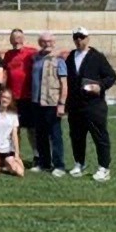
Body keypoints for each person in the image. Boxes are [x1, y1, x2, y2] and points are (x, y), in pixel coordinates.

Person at [65, 27, 116, 182]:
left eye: (82, 37)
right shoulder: (71, 56)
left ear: (88, 38)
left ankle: (104, 168)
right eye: (76, 37)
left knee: (100, 136)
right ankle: (79, 163)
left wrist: (99, 86)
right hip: (75, 105)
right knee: (76, 136)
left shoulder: (97, 57)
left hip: (94, 105)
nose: (79, 40)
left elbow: (111, 76)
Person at [30, 32, 68, 176]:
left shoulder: (59, 60)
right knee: (41, 135)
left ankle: (59, 166)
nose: (47, 43)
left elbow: (64, 84)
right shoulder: (35, 58)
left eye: (50, 41)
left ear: (54, 42)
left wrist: (62, 104)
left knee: (55, 135)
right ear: (40, 42)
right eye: (44, 41)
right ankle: (44, 163)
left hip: (52, 102)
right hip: (36, 101)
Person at [3, 28, 38, 164]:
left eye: (19, 37)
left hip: (28, 97)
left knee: (31, 129)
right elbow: (6, 75)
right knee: (14, 128)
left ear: (23, 39)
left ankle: (37, 155)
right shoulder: (8, 55)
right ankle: (15, 154)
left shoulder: (32, 53)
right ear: (11, 40)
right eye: (14, 37)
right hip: (13, 98)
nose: (17, 40)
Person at [0, 89, 25, 177]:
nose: (5, 100)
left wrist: (17, 154)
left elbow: (15, 136)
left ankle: (5, 164)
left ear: (10, 101)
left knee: (20, 172)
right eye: (3, 97)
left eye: (8, 98)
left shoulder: (13, 115)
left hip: (7, 150)